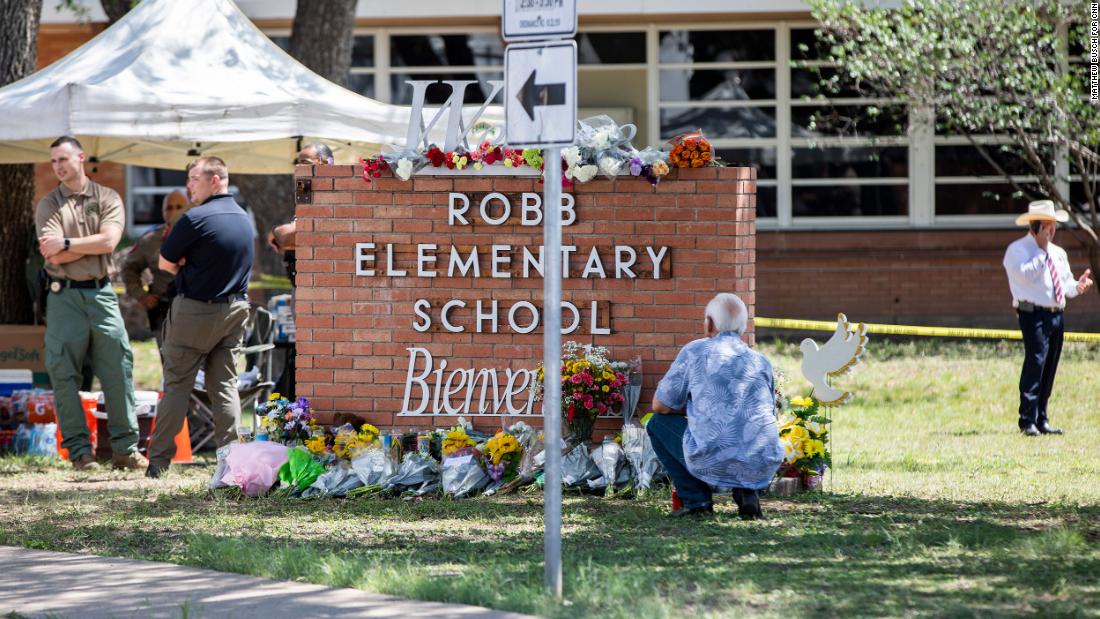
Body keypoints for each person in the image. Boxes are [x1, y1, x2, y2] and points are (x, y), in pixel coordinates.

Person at [35, 136, 146, 472]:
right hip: (63, 295)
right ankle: (80, 452)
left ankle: (125, 449)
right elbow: (50, 251)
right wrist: (91, 244)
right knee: (64, 373)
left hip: (101, 293)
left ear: (81, 158)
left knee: (118, 366)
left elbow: (110, 240)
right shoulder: (49, 203)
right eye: (54, 161)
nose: (58, 166)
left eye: (64, 159)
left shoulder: (107, 196)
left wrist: (68, 243)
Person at [146, 156, 254, 478]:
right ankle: (231, 463)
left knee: (177, 384)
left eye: (194, 178)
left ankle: (158, 464)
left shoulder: (195, 219)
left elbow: (165, 264)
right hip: (235, 310)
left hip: (195, 311)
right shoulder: (243, 218)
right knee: (225, 386)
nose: (188, 185)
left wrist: (184, 265)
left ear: (215, 180)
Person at [649, 293, 784, 519]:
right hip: (761, 460)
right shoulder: (761, 361)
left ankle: (696, 501)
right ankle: (747, 492)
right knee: (742, 431)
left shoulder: (695, 352)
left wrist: (695, 408)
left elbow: (660, 406)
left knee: (657, 424)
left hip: (713, 460)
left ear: (709, 323)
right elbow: (768, 411)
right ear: (744, 326)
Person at [1002, 200, 1093, 437]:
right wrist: (1041, 250)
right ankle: (1027, 420)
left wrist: (1078, 286)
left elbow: (1064, 284)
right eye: (1047, 226)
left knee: (1050, 366)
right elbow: (1026, 278)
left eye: (1054, 226)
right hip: (1033, 314)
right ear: (1035, 227)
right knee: (1036, 363)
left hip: (1056, 315)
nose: (1052, 231)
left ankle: (1042, 417)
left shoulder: (1058, 253)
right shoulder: (1017, 251)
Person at [264, 143, 333, 399]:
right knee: (301, 354)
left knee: (310, 355)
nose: (298, 169)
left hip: (322, 295)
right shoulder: (306, 192)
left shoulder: (332, 190)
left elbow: (286, 236)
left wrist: (280, 233)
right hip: (301, 288)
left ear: (325, 164)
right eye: (298, 162)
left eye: (306, 162)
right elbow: (285, 238)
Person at [120, 190, 192, 344]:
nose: (173, 211)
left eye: (179, 206)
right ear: (162, 211)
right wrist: (141, 294)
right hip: (164, 309)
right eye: (169, 207)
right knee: (169, 362)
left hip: (195, 308)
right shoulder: (150, 240)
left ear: (187, 208)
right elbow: (129, 268)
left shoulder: (200, 236)